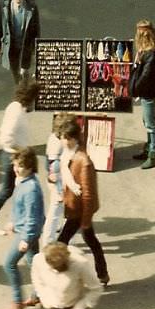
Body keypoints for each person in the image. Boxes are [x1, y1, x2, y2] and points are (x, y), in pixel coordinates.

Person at [0, 80, 41, 235]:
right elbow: (6, 138)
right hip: (14, 156)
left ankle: (33, 219)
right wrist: (19, 153)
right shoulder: (16, 111)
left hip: (15, 155)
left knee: (23, 188)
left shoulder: (16, 107)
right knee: (12, 189)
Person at [57, 120, 109, 286]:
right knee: (91, 241)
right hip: (74, 207)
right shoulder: (68, 154)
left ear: (74, 139)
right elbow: (66, 176)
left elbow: (88, 195)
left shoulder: (83, 161)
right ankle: (102, 274)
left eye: (67, 138)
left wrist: (85, 221)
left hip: (79, 210)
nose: (64, 141)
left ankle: (63, 277)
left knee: (61, 243)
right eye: (62, 138)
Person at [2, 147, 46, 309]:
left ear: (29, 167)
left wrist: (26, 239)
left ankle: (17, 301)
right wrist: (13, 221)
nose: (16, 169)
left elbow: (33, 217)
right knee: (35, 265)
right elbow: (20, 207)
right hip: (26, 230)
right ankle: (38, 295)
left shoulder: (31, 189)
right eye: (15, 165)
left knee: (9, 264)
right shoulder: (23, 181)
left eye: (20, 166)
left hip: (27, 233)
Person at [128, 19, 155, 169]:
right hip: (146, 91)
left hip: (148, 92)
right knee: (146, 121)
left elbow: (145, 76)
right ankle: (149, 148)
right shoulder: (146, 52)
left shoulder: (152, 54)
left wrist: (135, 90)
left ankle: (153, 154)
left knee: (150, 125)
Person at [41, 113, 77, 246]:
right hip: (60, 182)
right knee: (55, 210)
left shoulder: (53, 138)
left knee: (60, 210)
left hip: (59, 180)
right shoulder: (57, 144)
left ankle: (57, 233)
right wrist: (58, 187)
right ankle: (48, 242)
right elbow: (54, 166)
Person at [0, 0, 41, 83]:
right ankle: (20, 86)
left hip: (26, 42)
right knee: (14, 69)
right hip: (12, 43)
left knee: (25, 68)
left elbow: (36, 27)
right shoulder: (4, 6)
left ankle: (25, 81)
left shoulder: (31, 6)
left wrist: (37, 44)